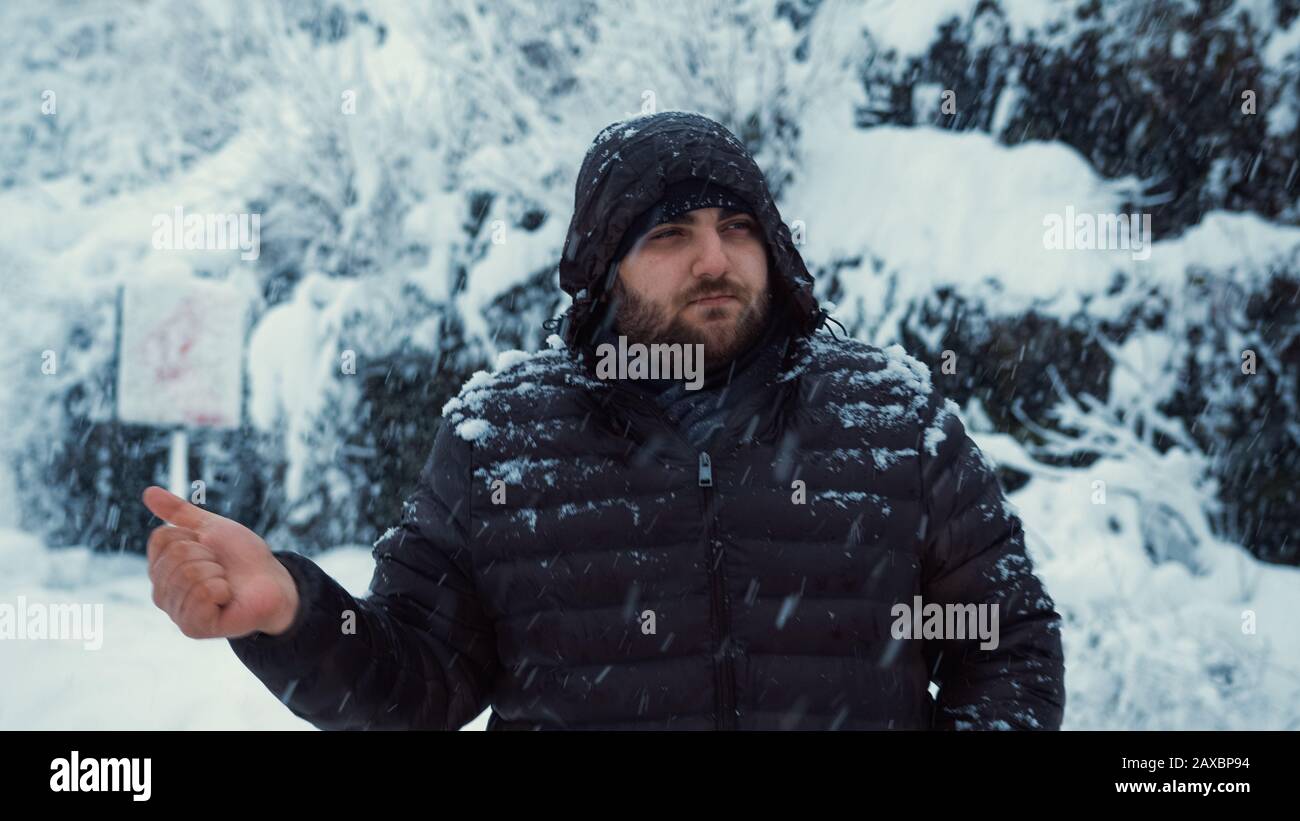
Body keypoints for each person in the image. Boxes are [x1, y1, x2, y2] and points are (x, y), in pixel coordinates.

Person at [143, 110, 1066, 730]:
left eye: (736, 226)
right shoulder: (499, 439)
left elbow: (1010, 641)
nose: (715, 258)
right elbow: (418, 676)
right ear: (603, 265)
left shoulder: (891, 417)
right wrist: (293, 613)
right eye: (669, 235)